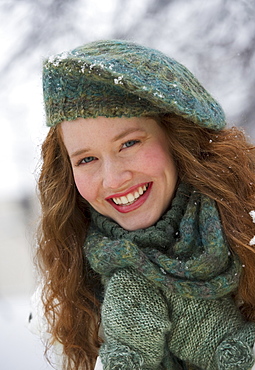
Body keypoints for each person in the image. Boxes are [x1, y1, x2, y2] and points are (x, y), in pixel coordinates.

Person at [33, 39, 255, 369]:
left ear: (177, 138)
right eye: (87, 159)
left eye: (129, 143)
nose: (113, 179)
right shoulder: (74, 289)